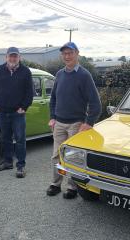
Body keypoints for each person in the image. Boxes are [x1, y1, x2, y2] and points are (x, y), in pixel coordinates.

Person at [46, 42, 101, 199]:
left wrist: (88, 123)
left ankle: (72, 187)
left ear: (77, 54)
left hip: (76, 124)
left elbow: (95, 103)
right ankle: (55, 184)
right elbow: (54, 98)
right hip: (59, 123)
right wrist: (52, 117)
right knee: (56, 156)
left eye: (70, 53)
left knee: (73, 157)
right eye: (64, 54)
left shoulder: (84, 76)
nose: (67, 56)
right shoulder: (59, 75)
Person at [0, 47, 34, 178]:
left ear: (19, 57)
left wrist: (24, 107)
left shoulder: (25, 72)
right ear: (6, 57)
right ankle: (8, 162)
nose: (13, 58)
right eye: (11, 56)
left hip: (18, 113)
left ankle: (21, 166)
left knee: (20, 139)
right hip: (2, 112)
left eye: (15, 56)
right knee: (5, 138)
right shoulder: (0, 70)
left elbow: (29, 92)